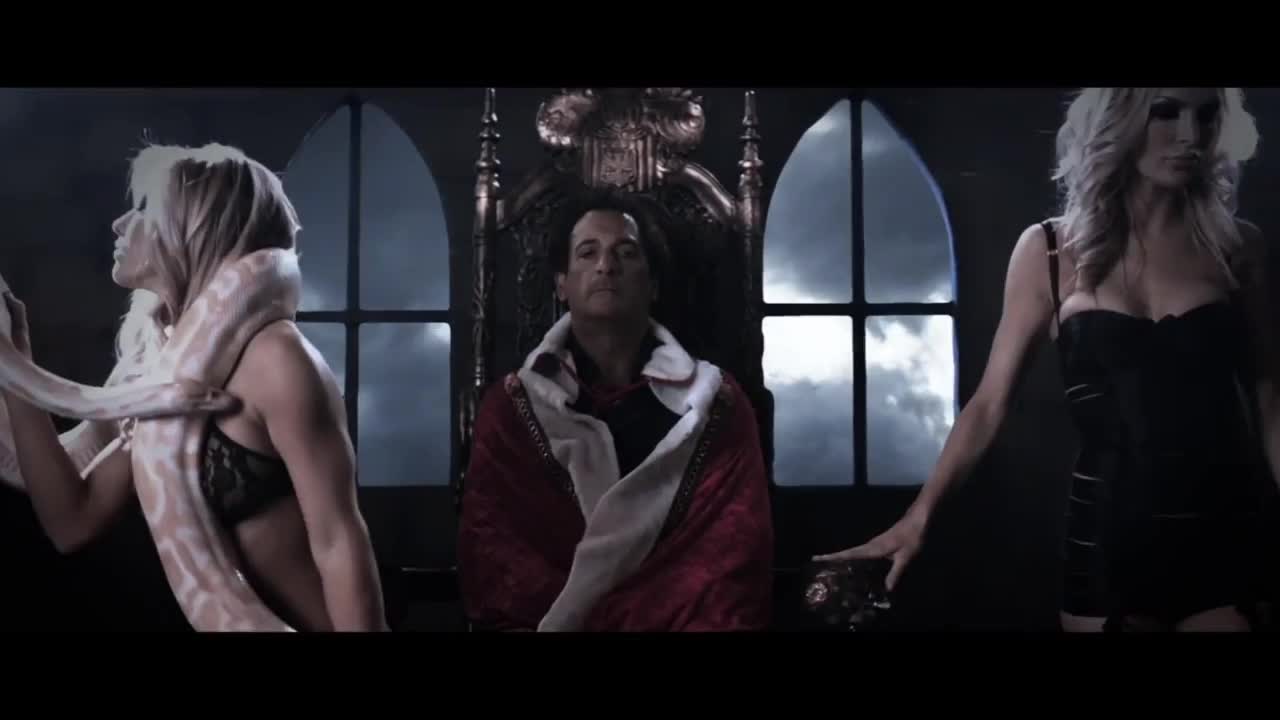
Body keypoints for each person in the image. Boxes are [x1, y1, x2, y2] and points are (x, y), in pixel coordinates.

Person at [817, 87, 1280, 632]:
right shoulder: (1050, 252)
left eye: (1206, 115)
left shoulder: (1238, 248)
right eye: (1165, 112)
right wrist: (918, 519)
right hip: (1106, 543)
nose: (1189, 135)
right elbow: (988, 405)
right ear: (1120, 118)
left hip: (1224, 537)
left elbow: (1271, 402)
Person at [0, 142, 388, 631]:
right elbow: (71, 520)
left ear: (196, 227)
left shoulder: (276, 357)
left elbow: (338, 541)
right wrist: (14, 359)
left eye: (143, 208)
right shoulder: (154, 372)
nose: (119, 223)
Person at [457, 190, 774, 631]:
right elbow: (496, 559)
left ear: (654, 283)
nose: (606, 266)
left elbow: (732, 556)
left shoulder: (716, 404)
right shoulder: (511, 408)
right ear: (562, 284)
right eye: (588, 253)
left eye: (626, 252)